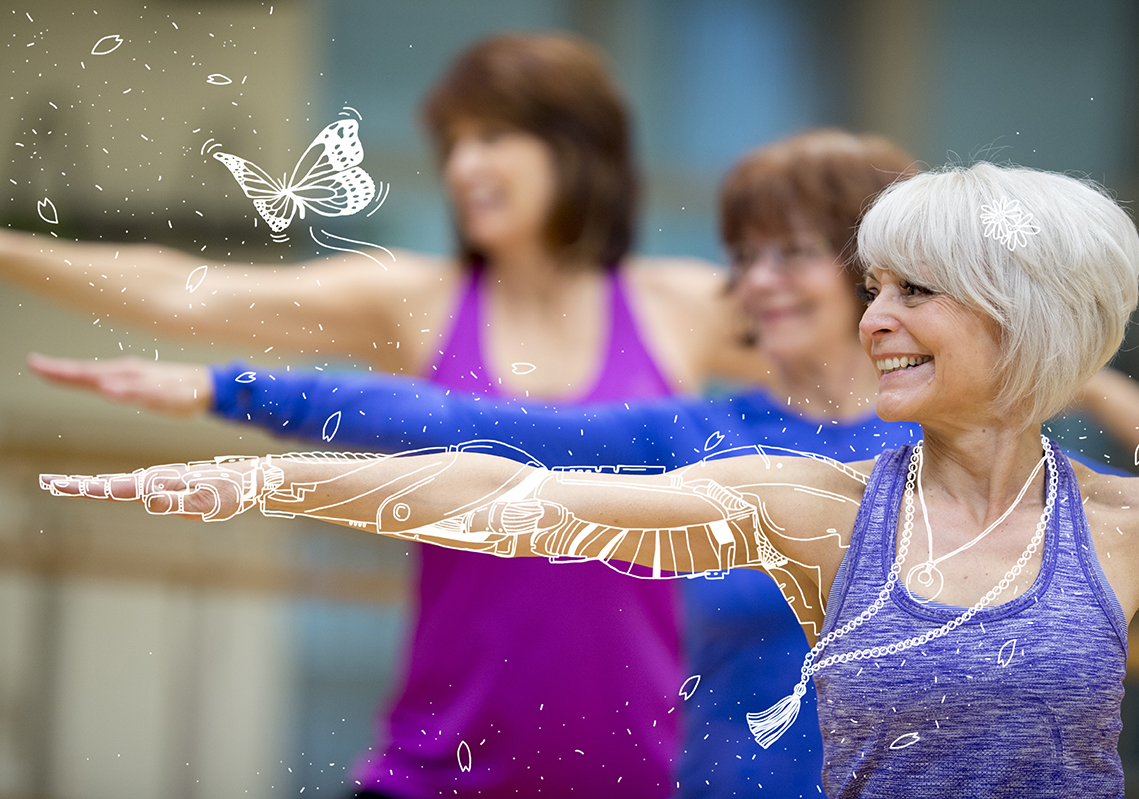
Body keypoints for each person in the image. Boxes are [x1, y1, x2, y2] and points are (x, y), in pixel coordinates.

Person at [31, 138, 1139, 795]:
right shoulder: (793, 494)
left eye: (905, 288)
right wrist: (253, 447)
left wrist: (1093, 382)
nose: (868, 313)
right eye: (872, 282)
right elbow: (492, 476)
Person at [4, 33, 773, 798]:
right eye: (455, 143)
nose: (464, 165)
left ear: (577, 148)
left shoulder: (679, 304)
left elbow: (847, 353)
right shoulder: (415, 301)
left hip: (633, 774)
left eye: (494, 135)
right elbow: (187, 289)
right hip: (436, 770)